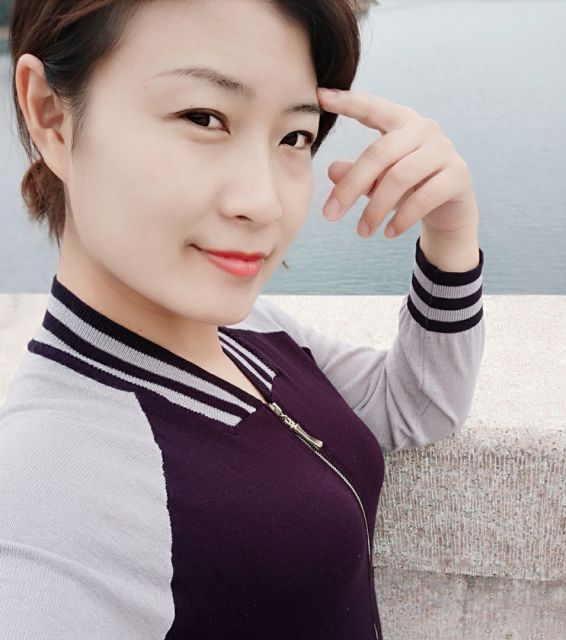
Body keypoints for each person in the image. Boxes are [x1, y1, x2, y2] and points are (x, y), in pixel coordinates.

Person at [0, 1, 485, 638]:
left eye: (294, 137)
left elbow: (415, 406)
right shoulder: (48, 491)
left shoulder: (251, 331)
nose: (263, 203)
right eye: (204, 117)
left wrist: (450, 234)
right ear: (52, 115)